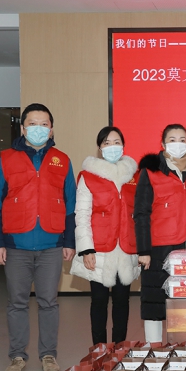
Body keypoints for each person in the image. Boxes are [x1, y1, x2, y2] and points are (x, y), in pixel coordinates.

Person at [0, 103, 76, 371]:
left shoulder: (62, 160)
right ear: (23, 128)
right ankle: (17, 356)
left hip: (51, 244)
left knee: (49, 302)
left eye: (44, 124)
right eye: (33, 124)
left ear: (51, 130)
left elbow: (70, 205)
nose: (39, 128)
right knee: (17, 303)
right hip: (16, 245)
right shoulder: (6, 159)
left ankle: (48, 355)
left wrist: (69, 242)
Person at [134, 124, 186, 343]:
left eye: (182, 139)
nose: (178, 143)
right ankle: (154, 348)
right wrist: (143, 251)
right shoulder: (150, 172)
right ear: (163, 144)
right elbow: (141, 213)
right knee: (155, 300)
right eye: (172, 139)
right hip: (160, 246)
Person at [70, 126, 140, 345]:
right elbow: (82, 214)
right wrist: (86, 249)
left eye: (116, 142)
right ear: (99, 148)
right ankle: (99, 350)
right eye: (106, 143)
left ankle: (119, 348)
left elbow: (140, 214)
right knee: (99, 301)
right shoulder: (89, 176)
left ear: (123, 146)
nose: (112, 147)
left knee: (122, 301)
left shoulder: (134, 176)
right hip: (99, 249)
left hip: (126, 249)